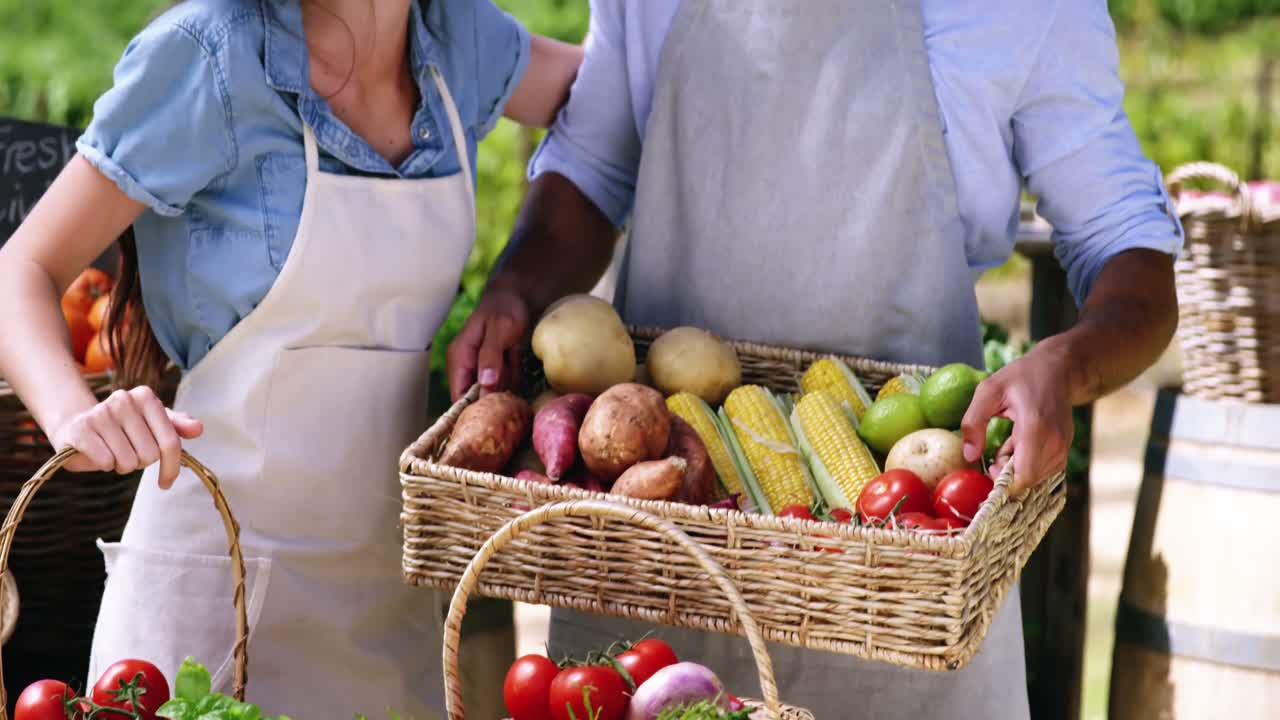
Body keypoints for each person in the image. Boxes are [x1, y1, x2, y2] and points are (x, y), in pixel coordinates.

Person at [447, 0, 1182, 717]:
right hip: (656, 562)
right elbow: (591, 166)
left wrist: (1070, 361)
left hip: (905, 562)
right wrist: (519, 285)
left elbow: (1124, 242)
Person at [0, 0, 580, 716]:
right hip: (211, 598)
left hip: (385, 597)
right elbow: (21, 267)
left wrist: (524, 280)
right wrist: (71, 413)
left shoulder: (459, 39)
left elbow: (611, 106)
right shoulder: (209, 54)